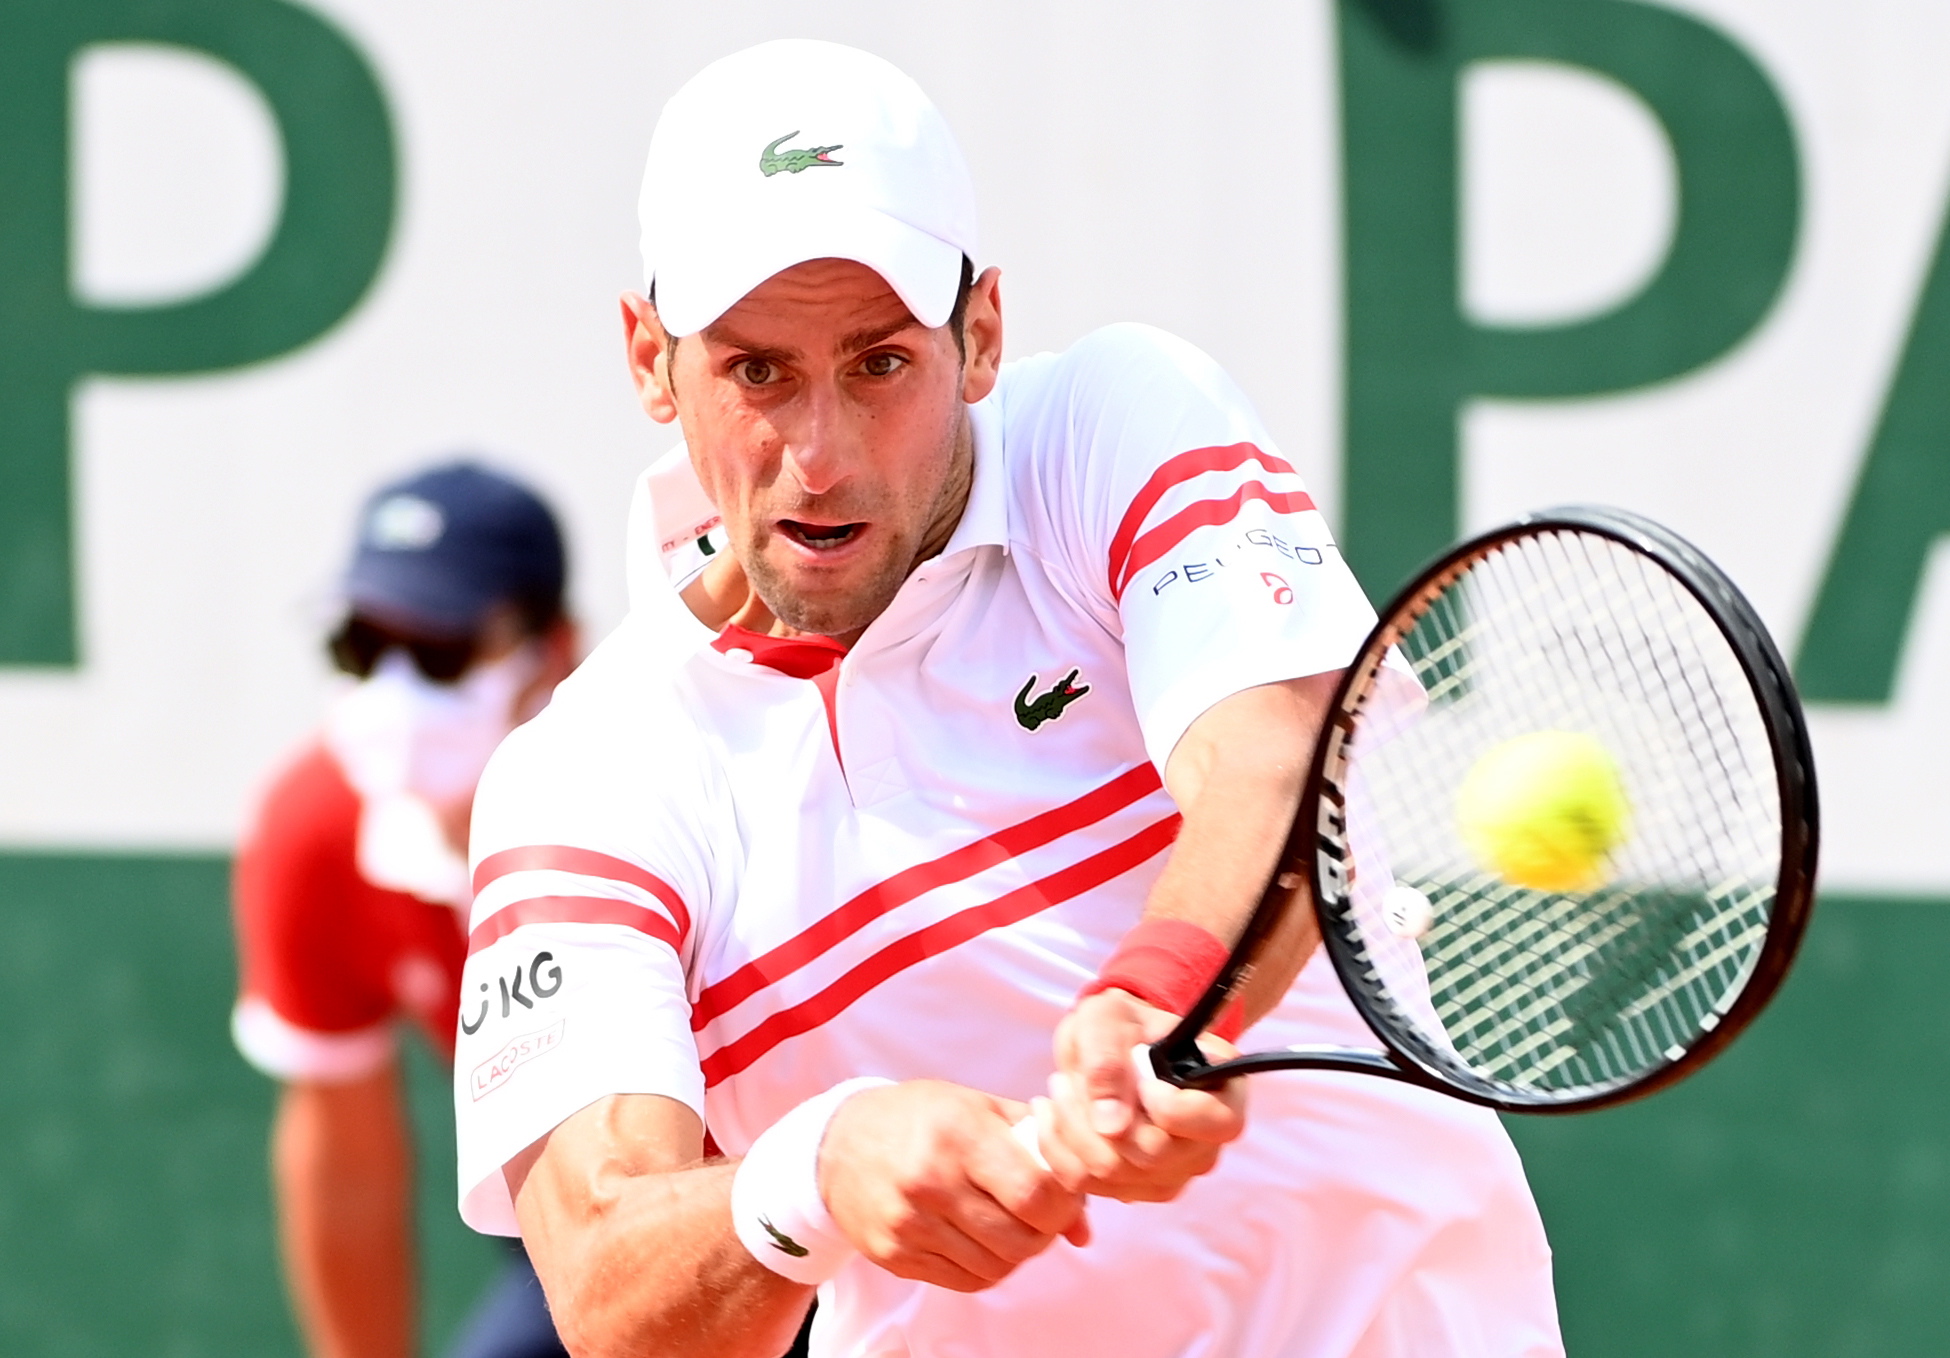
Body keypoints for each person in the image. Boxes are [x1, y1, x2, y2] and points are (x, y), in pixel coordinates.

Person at [453, 39, 1563, 1358]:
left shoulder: (1110, 424)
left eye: (878, 365)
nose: (820, 456)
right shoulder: (585, 781)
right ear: (650, 360)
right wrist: (809, 1172)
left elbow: (1276, 765)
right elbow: (603, 1280)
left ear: (977, 334)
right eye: (757, 372)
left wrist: (1156, 1002)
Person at [231, 462, 578, 1358]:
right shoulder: (314, 828)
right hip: (569, 1235)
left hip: (840, 1212)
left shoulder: (664, 801)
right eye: (359, 648)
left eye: (439, 652)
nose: (393, 694)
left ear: (556, 655)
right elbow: (344, 1153)